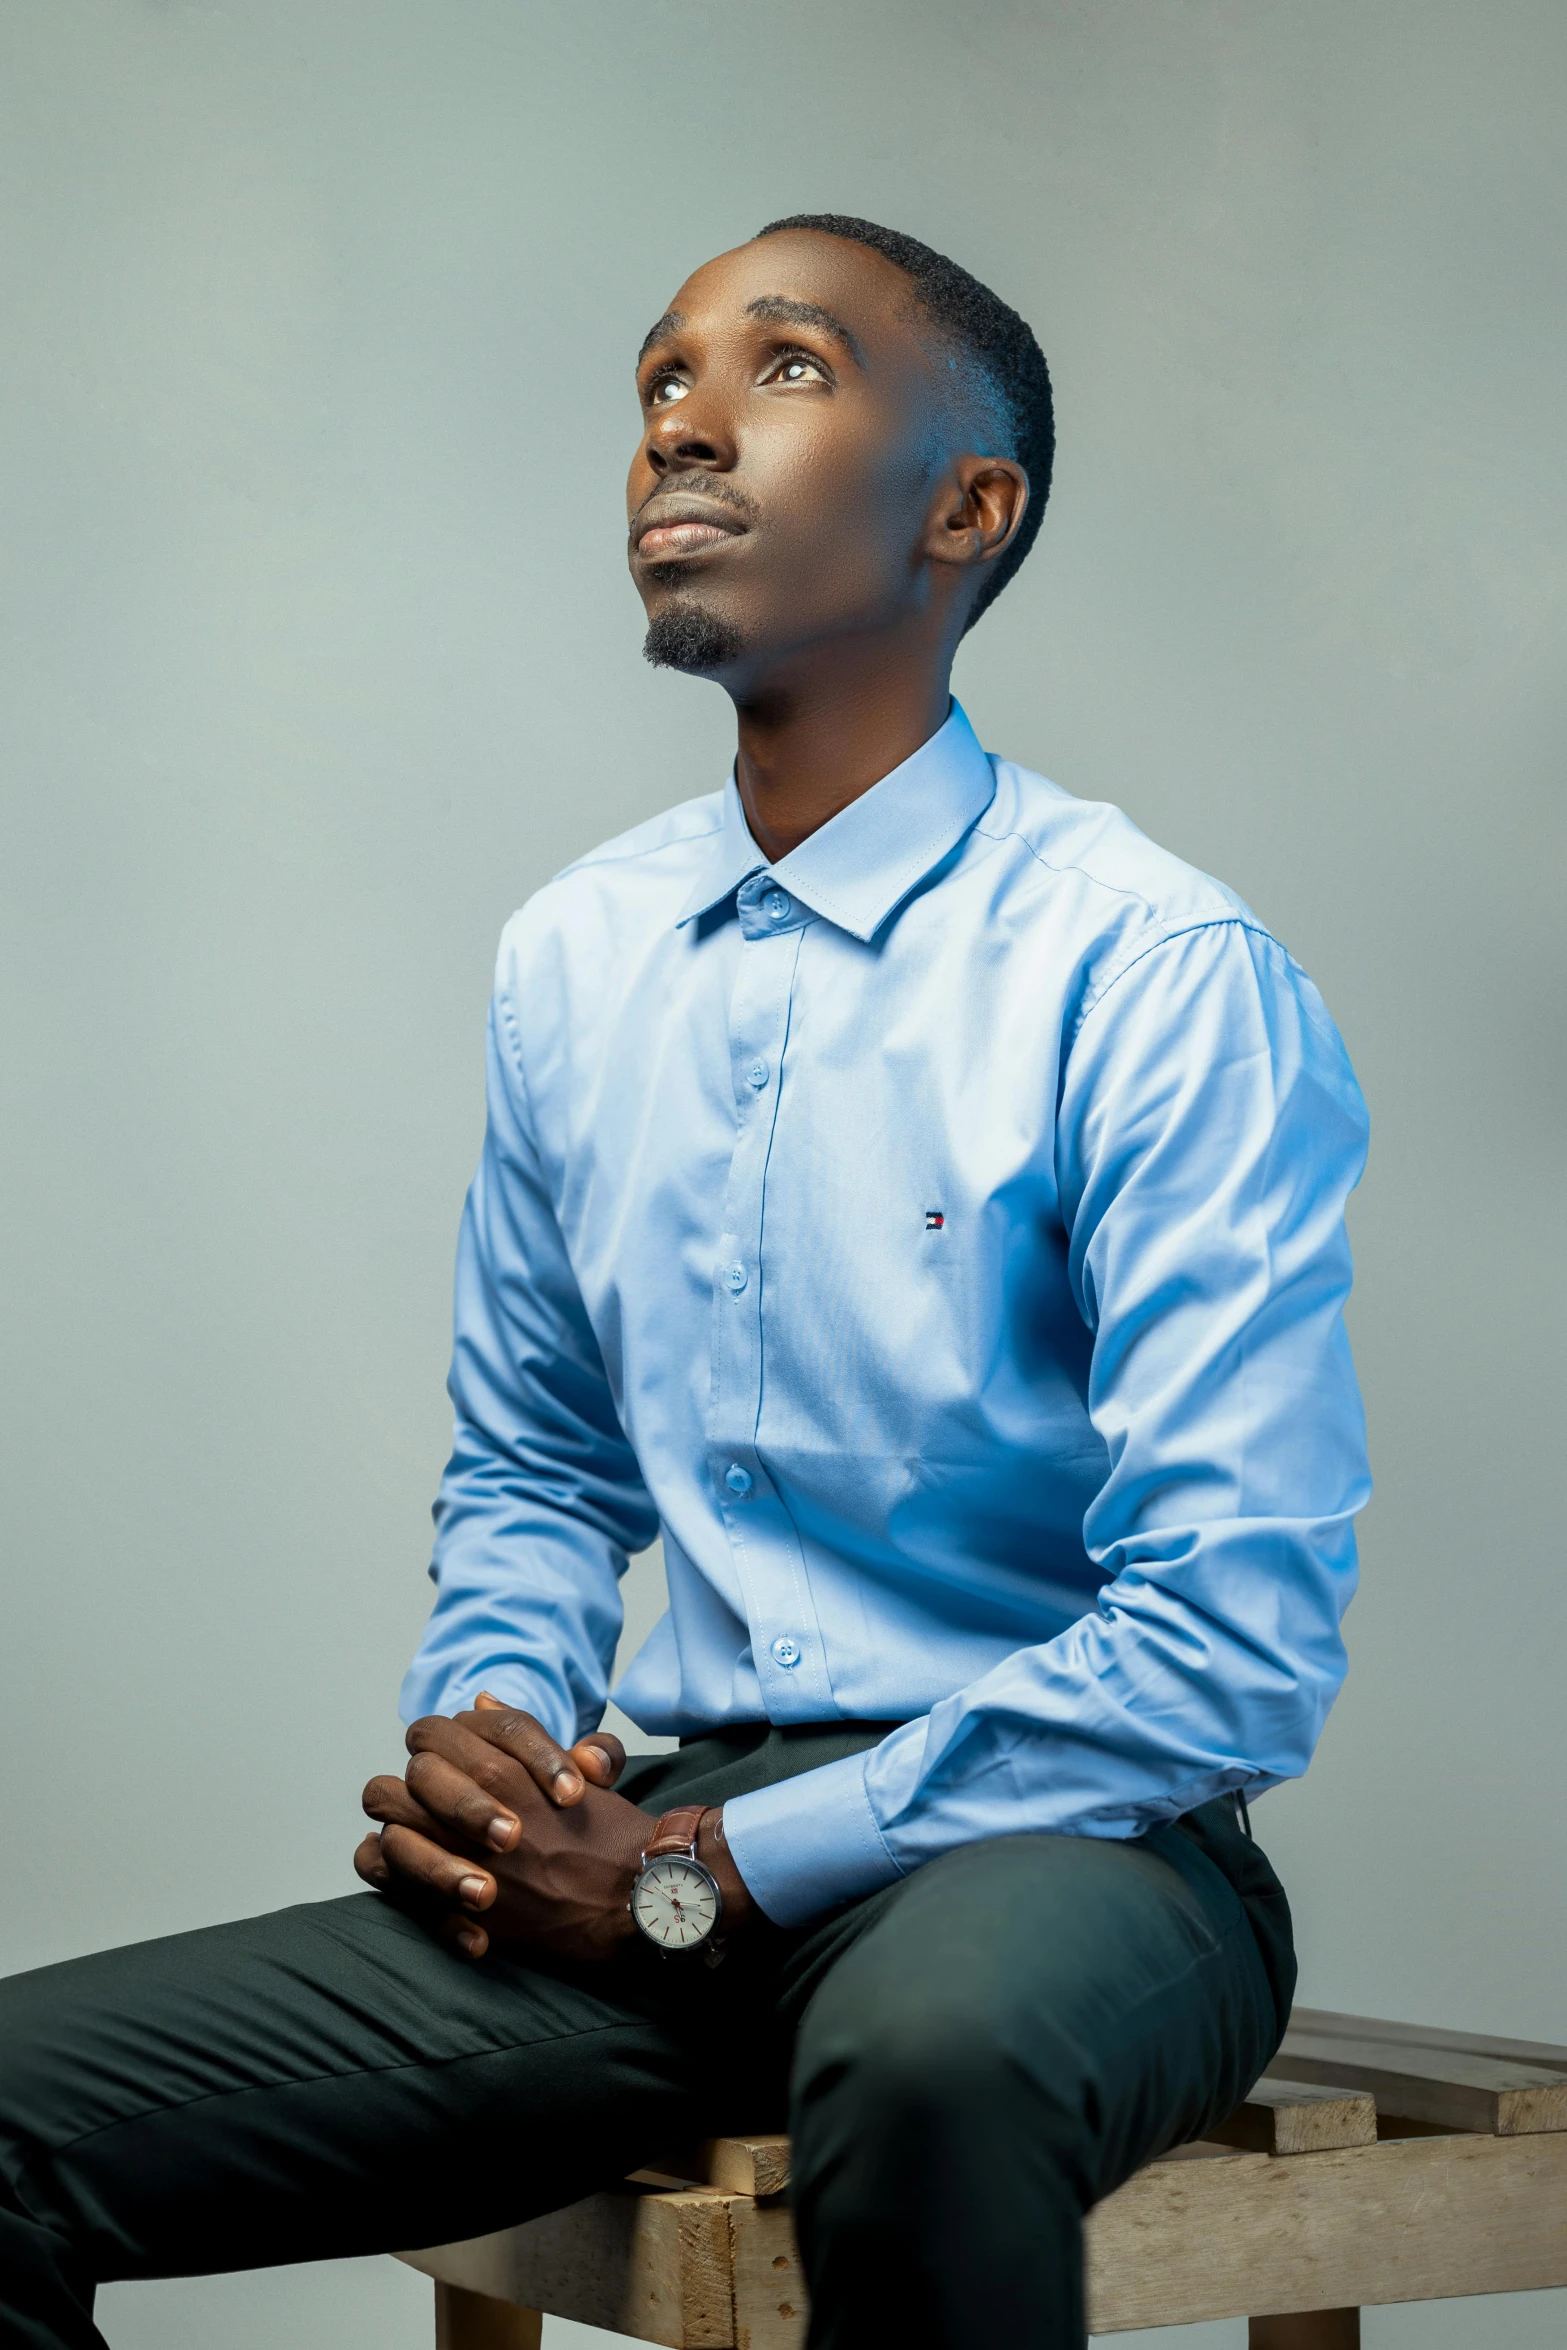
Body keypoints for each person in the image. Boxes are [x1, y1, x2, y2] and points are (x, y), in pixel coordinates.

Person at [0, 215, 1369, 2350]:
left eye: (788, 368)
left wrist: (709, 1877)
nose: (684, 426)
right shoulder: (579, 954)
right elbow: (540, 1459)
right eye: (658, 381)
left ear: (968, 507)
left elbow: (1233, 1643)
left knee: (932, 2063)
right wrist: (510, 1744)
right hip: (654, 1840)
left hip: (1076, 1848)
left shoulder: (1156, 975)